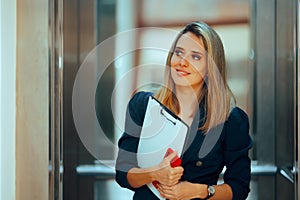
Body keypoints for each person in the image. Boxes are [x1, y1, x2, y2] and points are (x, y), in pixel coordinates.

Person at [115, 21, 253, 200]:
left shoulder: (230, 119)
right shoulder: (143, 105)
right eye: (178, 53)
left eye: (195, 57)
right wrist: (155, 173)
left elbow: (239, 187)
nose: (182, 62)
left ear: (211, 68)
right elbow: (123, 173)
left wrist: (199, 191)